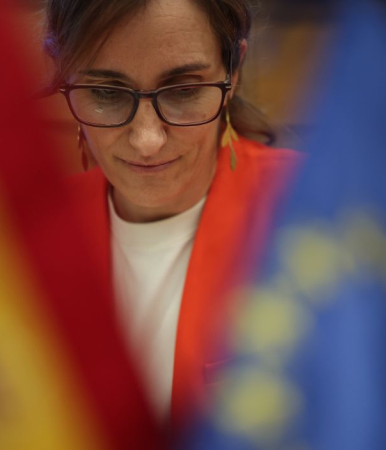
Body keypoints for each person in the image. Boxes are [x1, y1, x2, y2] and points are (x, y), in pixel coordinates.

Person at [43, 0, 302, 429]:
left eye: (183, 91)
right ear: (61, 73)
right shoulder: (25, 242)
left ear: (234, 71)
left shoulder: (316, 221)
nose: (147, 140)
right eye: (107, 93)